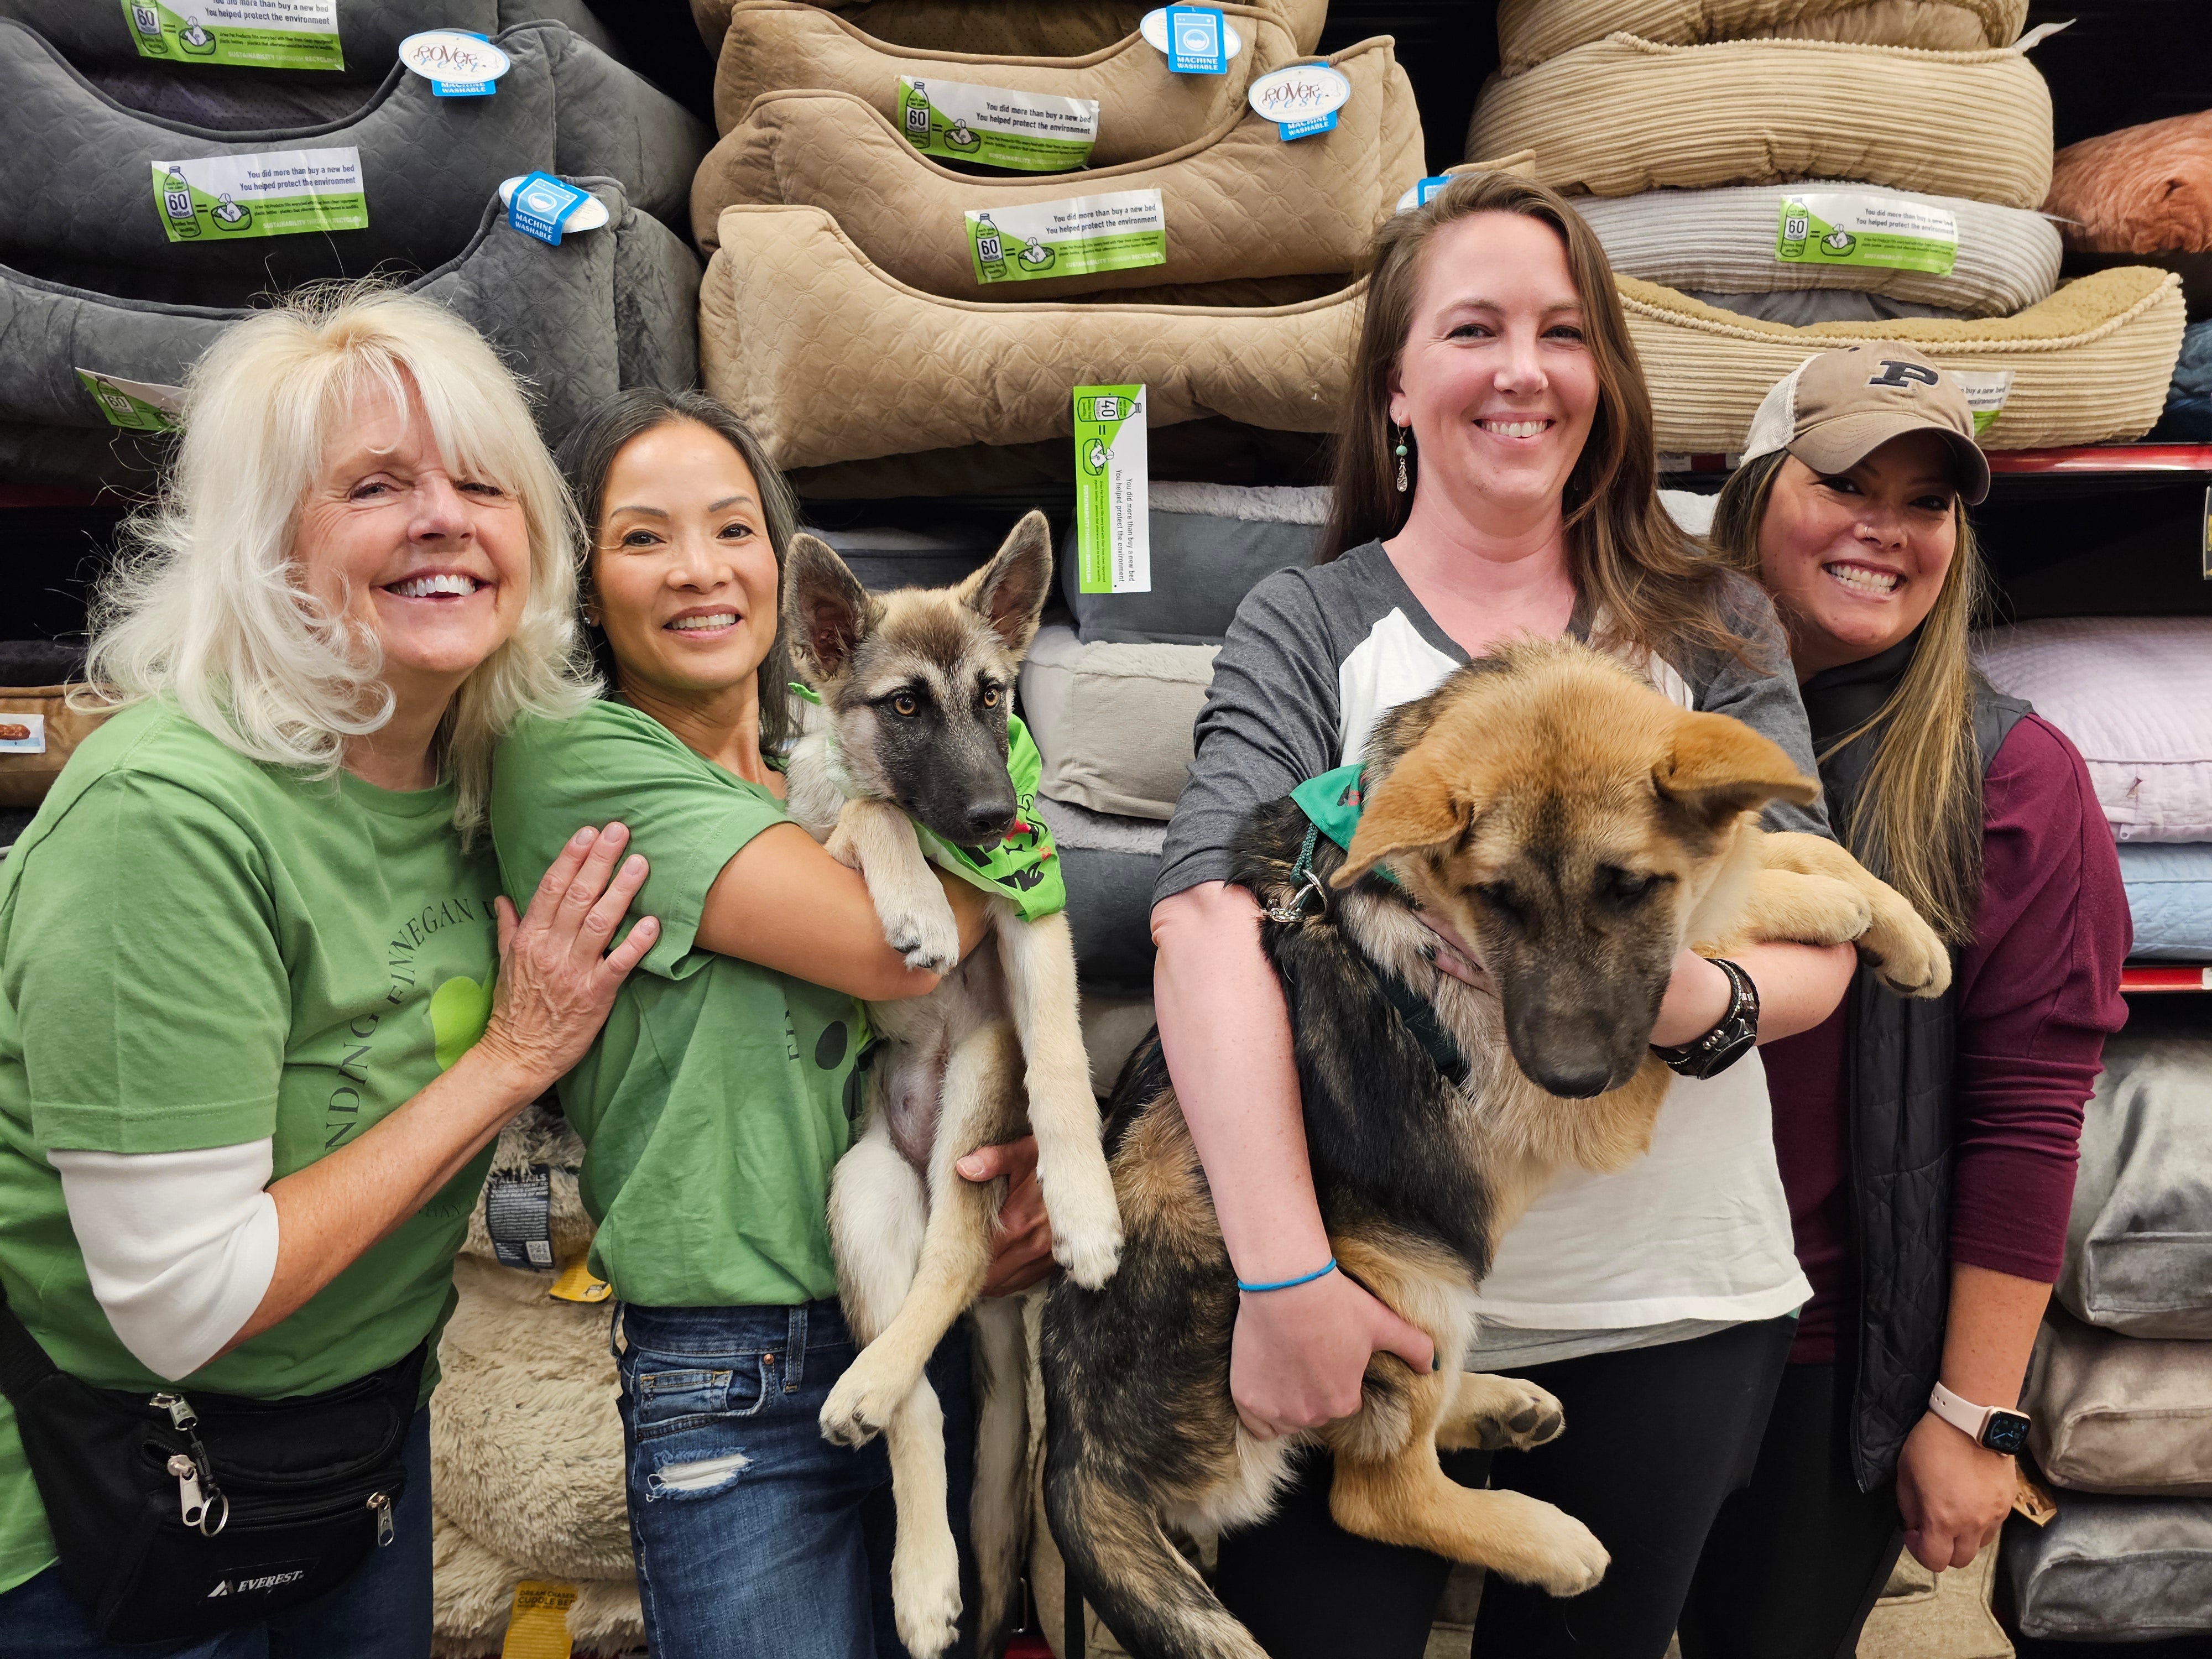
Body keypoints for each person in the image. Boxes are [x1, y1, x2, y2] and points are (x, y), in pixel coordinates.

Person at [1146, 170, 1860, 1658]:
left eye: (1563, 331)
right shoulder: (1312, 624)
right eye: (1473, 330)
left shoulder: (1711, 617)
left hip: (1670, 1303)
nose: (1523, 371)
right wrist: (1282, 1277)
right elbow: (1206, 922)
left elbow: (1815, 935)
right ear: (1395, 387)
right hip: (1363, 1286)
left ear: (1606, 375)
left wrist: (1683, 1000)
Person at [0, 289, 653, 1657]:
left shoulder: (479, 773)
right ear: (265, 547)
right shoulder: (167, 817)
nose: (444, 519)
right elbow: (182, 1304)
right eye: (374, 487)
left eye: (483, 484)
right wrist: (510, 1061)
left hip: (350, 1449)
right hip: (109, 1498)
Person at [489, 389, 1056, 1659]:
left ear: (788, 584)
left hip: (913, 1319)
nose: (700, 568)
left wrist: (986, 1199)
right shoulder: (576, 761)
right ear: (583, 581)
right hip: (730, 1379)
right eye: (643, 536)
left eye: (733, 528)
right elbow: (889, 951)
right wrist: (1000, 806)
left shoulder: (815, 767)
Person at [1677, 345, 2129, 1657]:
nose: (1884, 528)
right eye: (1842, 483)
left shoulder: (2008, 773)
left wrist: (1973, 1414)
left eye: (1924, 502)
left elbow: (2026, 1118)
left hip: (1823, 1361)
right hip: (1606, 1321)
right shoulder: (1639, 715)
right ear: (1752, 495)